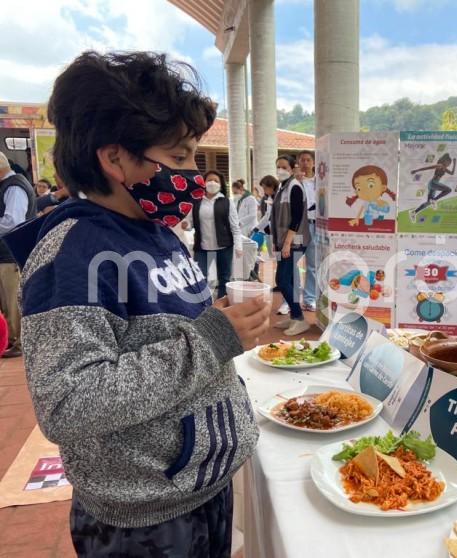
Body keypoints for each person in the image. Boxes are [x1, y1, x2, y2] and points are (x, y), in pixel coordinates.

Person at [9, 51, 270, 556]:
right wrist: (213, 337)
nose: (194, 174)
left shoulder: (156, 232)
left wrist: (214, 322)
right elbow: (68, 403)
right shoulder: (73, 254)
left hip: (201, 491)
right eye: (178, 158)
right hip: (144, 524)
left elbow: (169, 333)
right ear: (114, 158)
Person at [182, 170, 242, 298]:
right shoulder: (196, 202)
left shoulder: (227, 202)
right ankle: (203, 304)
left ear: (221, 184)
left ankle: (222, 304)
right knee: (200, 277)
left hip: (224, 246)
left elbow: (235, 226)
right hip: (202, 247)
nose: (212, 183)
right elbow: (190, 222)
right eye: (209, 180)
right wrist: (186, 224)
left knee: (224, 278)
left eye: (216, 181)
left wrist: (238, 245)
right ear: (203, 183)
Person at [0, 151, 36, 358]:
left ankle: (19, 342)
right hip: (6, 254)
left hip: (10, 254)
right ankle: (12, 340)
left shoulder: (14, 186)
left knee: (13, 301)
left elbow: (13, 221)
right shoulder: (8, 185)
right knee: (7, 301)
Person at [273, 155, 310, 336]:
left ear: (292, 168)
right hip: (283, 243)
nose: (280, 170)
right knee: (290, 280)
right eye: (278, 167)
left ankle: (299, 318)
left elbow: (296, 218)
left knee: (281, 280)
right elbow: (277, 219)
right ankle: (294, 316)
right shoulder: (283, 187)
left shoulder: (294, 186)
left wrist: (286, 244)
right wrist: (277, 243)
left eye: (284, 167)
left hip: (295, 242)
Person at [297, 150, 318, 311]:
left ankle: (310, 299)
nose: (305, 163)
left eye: (308, 160)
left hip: (316, 225)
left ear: (313, 162)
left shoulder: (321, 181)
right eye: (302, 160)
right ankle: (292, 299)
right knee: (292, 262)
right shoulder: (295, 182)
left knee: (312, 264)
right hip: (299, 226)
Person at [409, 153, 456, 221]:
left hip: (433, 185)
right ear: (445, 161)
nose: (449, 164)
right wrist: (416, 170)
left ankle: (414, 212)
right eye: (449, 162)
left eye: (450, 163)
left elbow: (452, 173)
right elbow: (427, 168)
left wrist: (454, 164)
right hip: (433, 183)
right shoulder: (440, 165)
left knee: (428, 203)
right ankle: (434, 200)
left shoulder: (444, 168)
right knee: (448, 190)